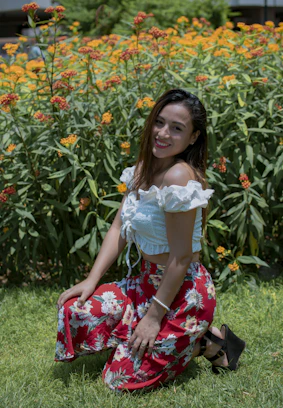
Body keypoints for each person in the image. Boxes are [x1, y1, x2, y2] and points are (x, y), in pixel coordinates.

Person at [55, 88, 245, 391]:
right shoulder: (144, 167)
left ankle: (205, 342)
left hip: (183, 293)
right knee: (75, 309)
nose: (163, 133)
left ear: (194, 137)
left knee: (118, 380)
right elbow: (119, 226)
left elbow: (181, 258)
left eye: (177, 128)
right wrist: (91, 280)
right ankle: (199, 339)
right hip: (145, 283)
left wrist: (154, 318)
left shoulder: (179, 178)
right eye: (159, 122)